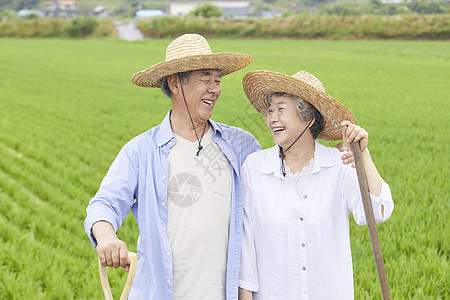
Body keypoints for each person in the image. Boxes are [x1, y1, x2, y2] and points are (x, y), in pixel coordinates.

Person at [84, 34, 353, 300]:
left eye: (218, 79)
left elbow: (282, 184)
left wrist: (333, 157)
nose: (215, 88)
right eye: (205, 78)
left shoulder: (241, 146)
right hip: (158, 293)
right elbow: (104, 203)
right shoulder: (141, 151)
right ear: (175, 83)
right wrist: (107, 237)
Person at [238, 70, 394, 300]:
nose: (272, 118)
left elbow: (378, 211)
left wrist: (363, 156)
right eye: (270, 111)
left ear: (308, 116)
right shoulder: (255, 168)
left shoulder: (339, 165)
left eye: (281, 109)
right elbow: (246, 248)